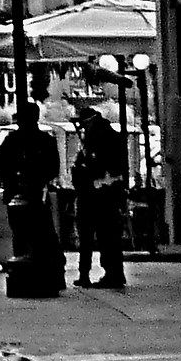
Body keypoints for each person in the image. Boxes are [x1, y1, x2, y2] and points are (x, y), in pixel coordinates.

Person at [0, 112, 66, 297]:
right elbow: (53, 167)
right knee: (44, 235)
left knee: (21, 234)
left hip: (21, 194)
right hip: (37, 194)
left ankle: (23, 273)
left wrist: (13, 180)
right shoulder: (45, 140)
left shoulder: (13, 140)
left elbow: (1, 163)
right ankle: (48, 275)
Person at [71, 103, 130, 290]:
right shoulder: (111, 135)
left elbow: (92, 166)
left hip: (95, 194)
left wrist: (81, 172)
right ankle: (114, 272)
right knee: (109, 236)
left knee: (89, 236)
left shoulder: (97, 137)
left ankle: (88, 274)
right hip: (108, 194)